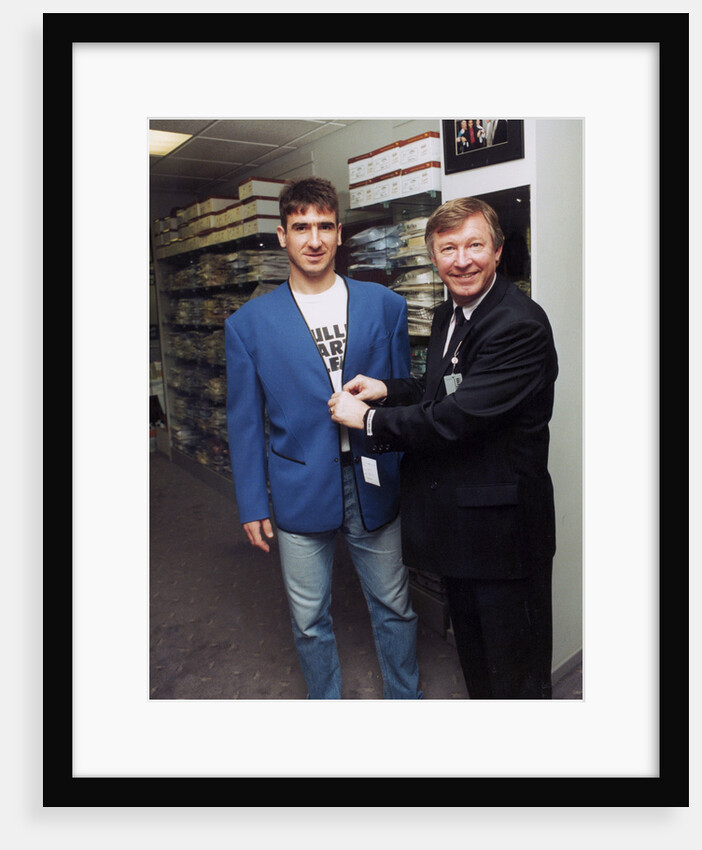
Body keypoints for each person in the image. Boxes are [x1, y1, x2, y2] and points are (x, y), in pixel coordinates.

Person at [329, 197, 558, 700]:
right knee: (477, 663)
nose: (462, 260)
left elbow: (458, 418)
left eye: (475, 245)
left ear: (497, 251)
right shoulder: (449, 314)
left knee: (515, 676)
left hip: (504, 539)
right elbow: (442, 389)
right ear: (433, 258)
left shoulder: (517, 324)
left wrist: (368, 420)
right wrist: (388, 389)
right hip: (462, 532)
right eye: (448, 248)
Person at [224, 177, 421, 700]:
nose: (313, 239)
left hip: (373, 475)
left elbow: (402, 396)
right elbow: (244, 421)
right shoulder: (249, 325)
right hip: (298, 482)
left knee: (395, 606)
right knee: (310, 618)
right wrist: (250, 501)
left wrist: (410, 475)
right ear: (283, 237)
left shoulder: (385, 306)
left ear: (339, 235)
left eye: (324, 227)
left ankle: (408, 701)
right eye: (301, 227)